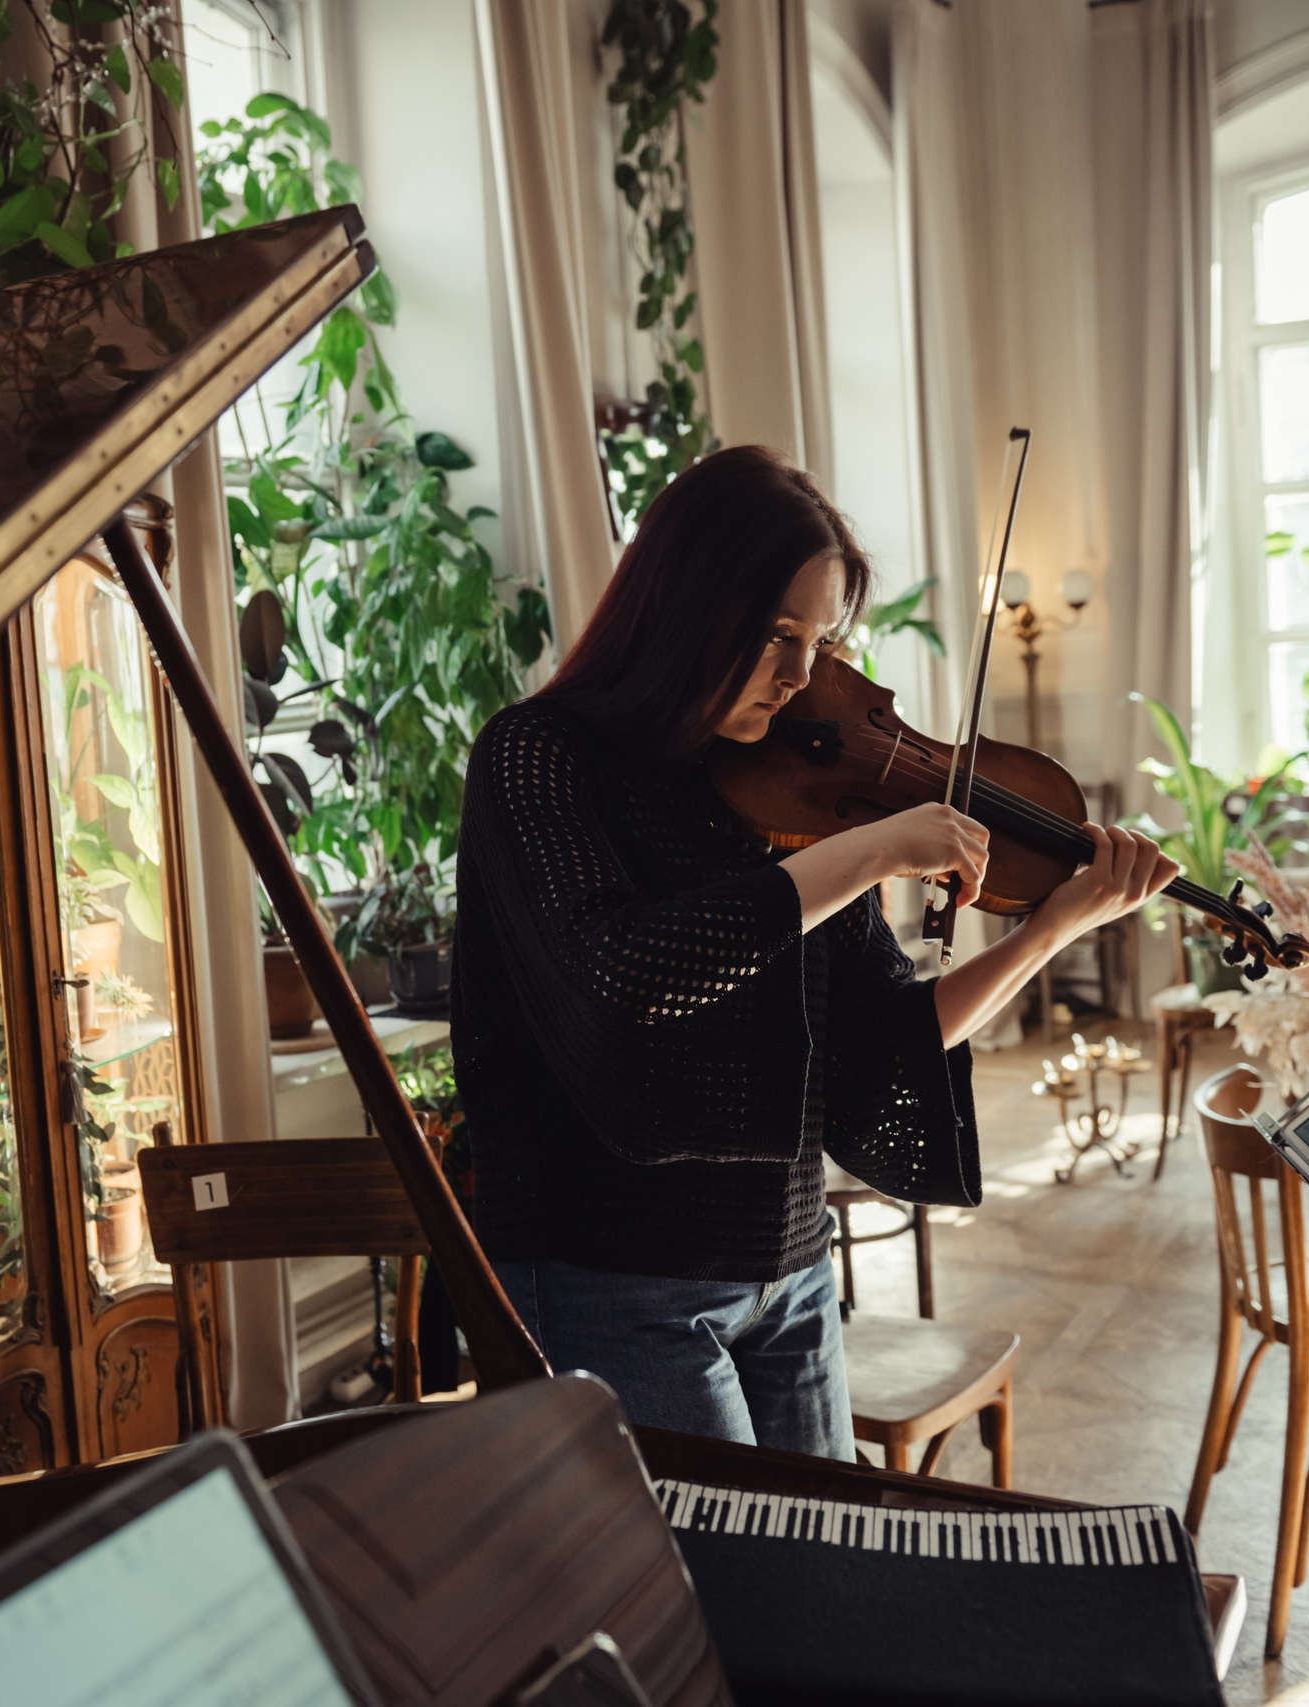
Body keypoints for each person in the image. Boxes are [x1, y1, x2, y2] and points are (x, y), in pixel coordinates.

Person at [451, 445, 1177, 1461]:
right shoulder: (539, 754)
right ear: (681, 608)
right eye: (775, 635)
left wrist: (1050, 928)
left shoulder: (782, 785)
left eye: (821, 639)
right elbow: (625, 973)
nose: (801, 677)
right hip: (613, 1279)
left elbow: (885, 1035)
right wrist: (869, 852)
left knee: (819, 1553)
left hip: (790, 1272)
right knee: (715, 1565)